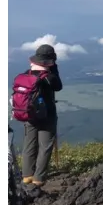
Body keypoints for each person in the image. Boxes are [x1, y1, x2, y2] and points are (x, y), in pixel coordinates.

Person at [20, 44, 63, 186]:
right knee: (45, 146)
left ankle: (26, 176)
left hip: (29, 115)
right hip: (47, 116)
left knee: (29, 145)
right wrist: (54, 67)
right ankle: (38, 178)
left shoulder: (27, 74)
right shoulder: (49, 77)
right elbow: (58, 86)